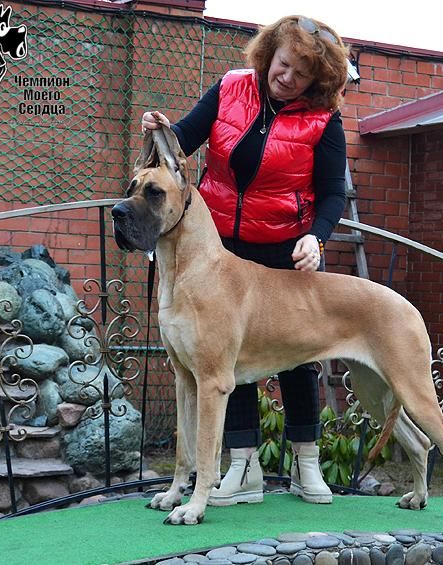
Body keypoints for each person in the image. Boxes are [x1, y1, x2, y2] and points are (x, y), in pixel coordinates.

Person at [142, 14, 348, 506]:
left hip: (286, 248)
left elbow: (332, 193)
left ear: (316, 81)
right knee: (222, 361)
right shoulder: (231, 87)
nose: (288, 78)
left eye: (302, 74)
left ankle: (307, 464)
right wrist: (159, 131)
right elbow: (182, 142)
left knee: (300, 356)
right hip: (220, 246)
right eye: (284, 64)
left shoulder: (323, 119)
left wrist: (316, 239)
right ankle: (244, 467)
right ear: (269, 54)